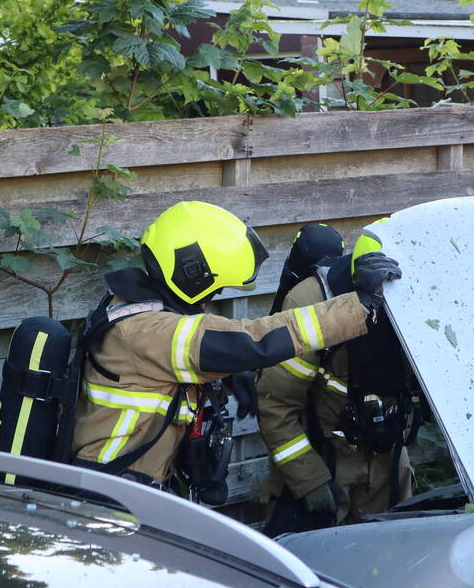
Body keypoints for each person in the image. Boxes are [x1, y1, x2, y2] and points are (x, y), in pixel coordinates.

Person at [70, 201, 401, 493]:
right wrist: (361, 305)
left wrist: (227, 374)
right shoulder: (149, 331)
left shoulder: (135, 305)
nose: (212, 298)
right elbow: (256, 340)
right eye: (214, 289)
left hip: (125, 484)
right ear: (193, 273)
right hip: (107, 494)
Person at [257, 227, 413, 531]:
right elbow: (275, 405)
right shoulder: (311, 300)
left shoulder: (422, 301)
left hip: (389, 459)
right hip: (324, 459)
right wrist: (310, 482)